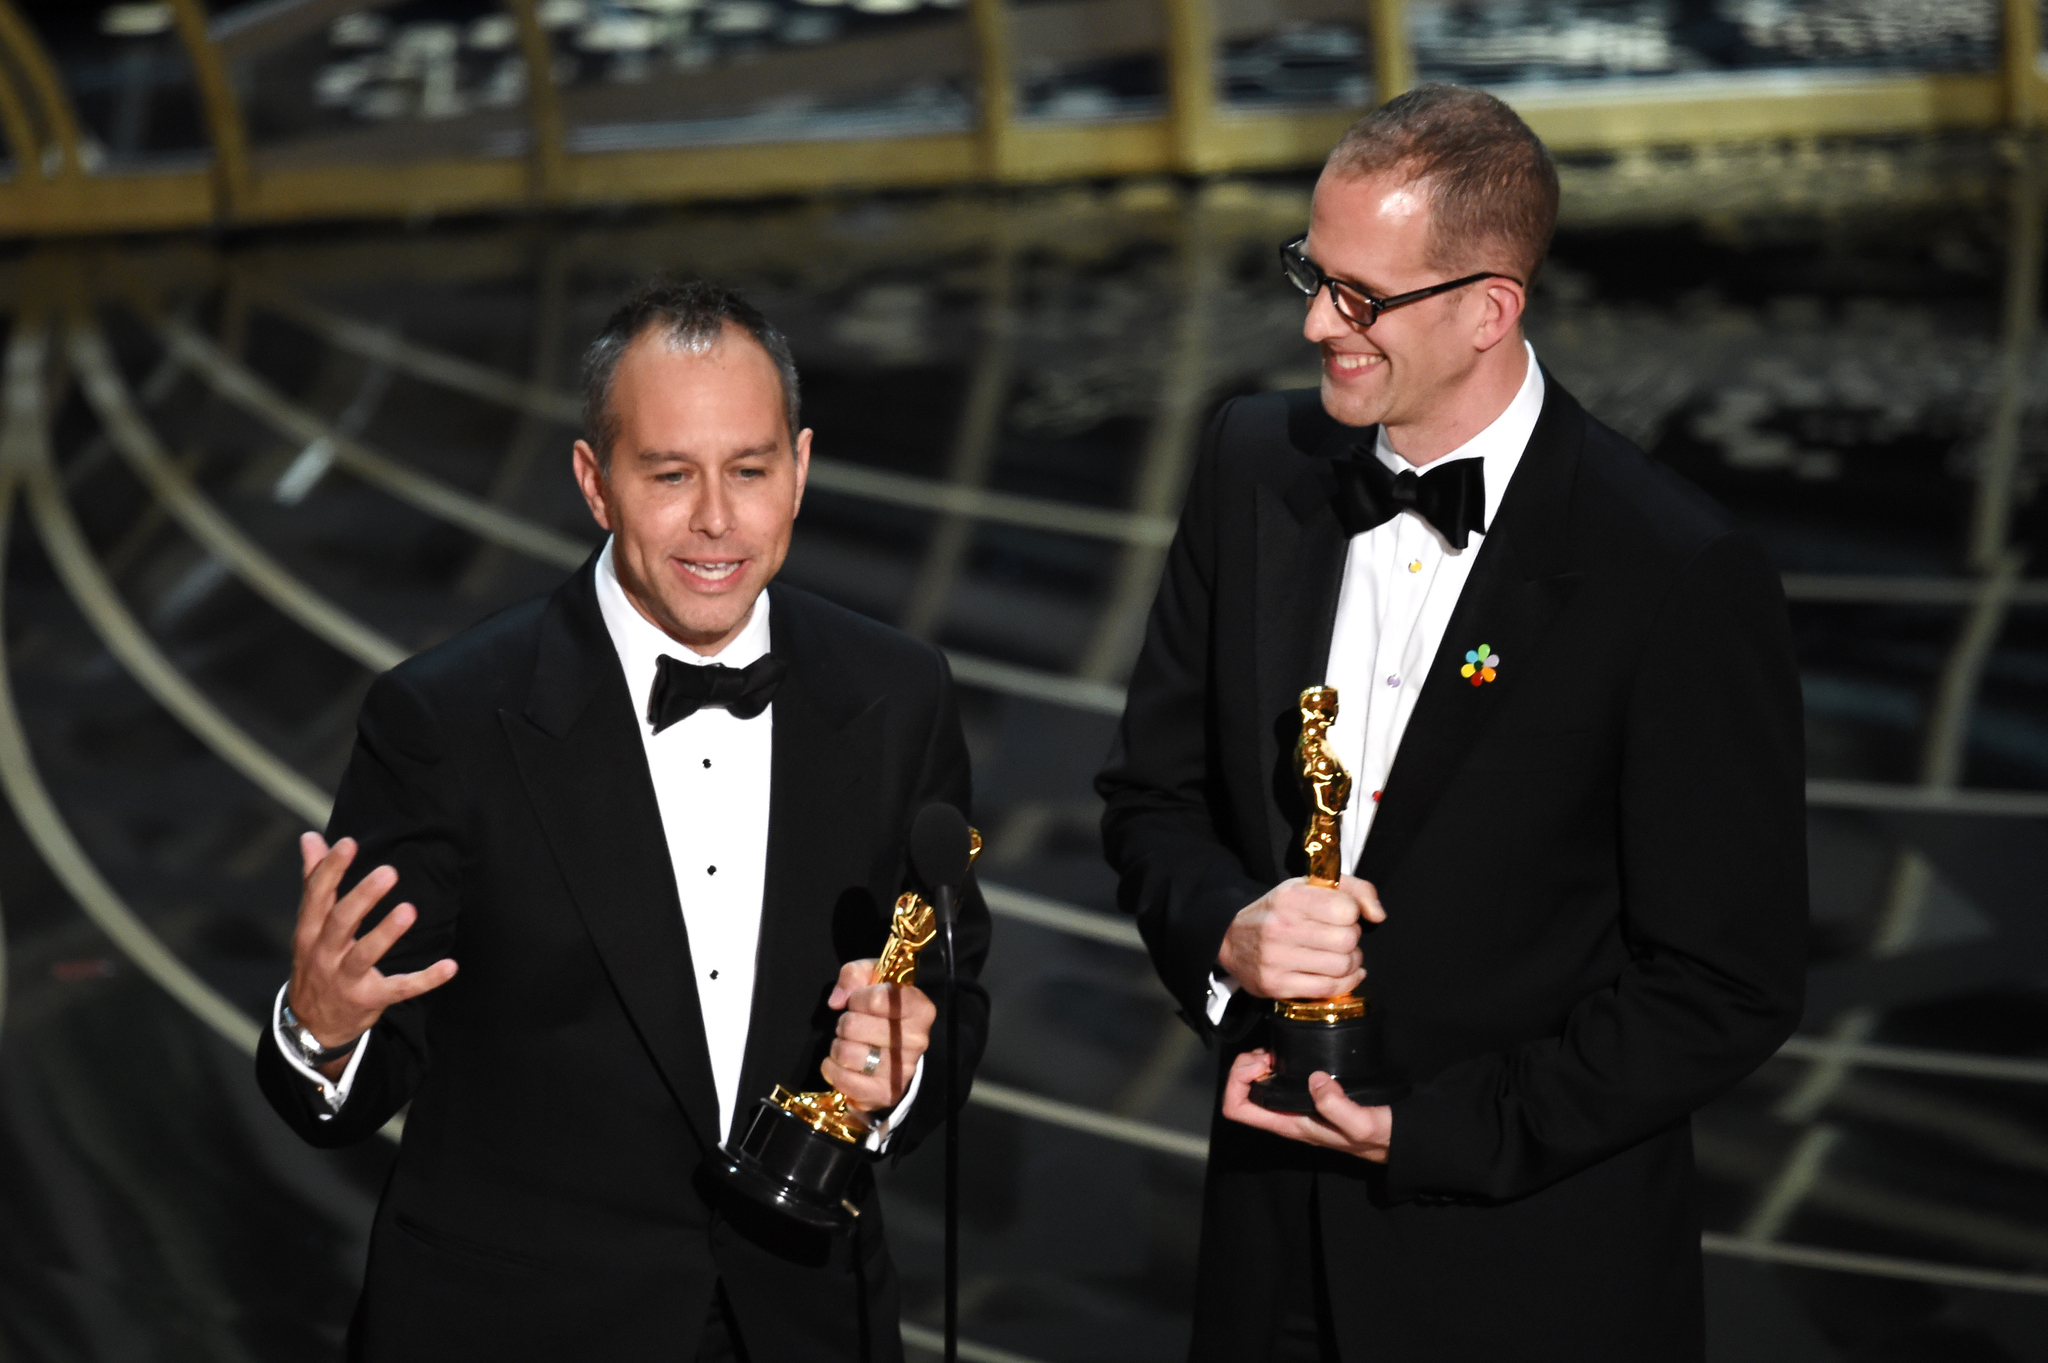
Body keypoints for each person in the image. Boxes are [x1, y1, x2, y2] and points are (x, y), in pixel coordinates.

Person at [1097, 85, 1806, 1362]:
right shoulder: (1249, 462)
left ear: (1488, 309)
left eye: (1361, 297)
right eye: (1311, 273)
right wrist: (1229, 933)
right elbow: (1151, 799)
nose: (1318, 321)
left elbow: (1724, 981)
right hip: (1267, 1262)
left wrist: (1432, 1133)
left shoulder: (1669, 569)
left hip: (1529, 1282)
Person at [258, 280, 989, 1362]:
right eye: (669, 475)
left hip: (804, 1322)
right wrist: (323, 1027)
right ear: (594, 484)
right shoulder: (444, 718)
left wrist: (902, 1071)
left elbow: (948, 982)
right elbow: (351, 1086)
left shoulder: (898, 691)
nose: (714, 520)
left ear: (799, 468)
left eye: (748, 471)